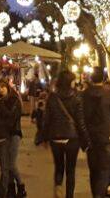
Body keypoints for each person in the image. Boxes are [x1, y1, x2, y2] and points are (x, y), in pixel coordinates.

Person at [35, 69, 83, 198]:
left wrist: (43, 137)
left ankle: (58, 191)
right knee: (71, 170)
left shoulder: (52, 97)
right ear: (70, 82)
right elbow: (80, 121)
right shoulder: (76, 97)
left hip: (55, 138)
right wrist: (85, 140)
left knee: (59, 168)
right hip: (72, 138)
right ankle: (69, 196)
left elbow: (46, 119)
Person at [82, 69, 110, 198]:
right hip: (105, 138)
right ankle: (99, 195)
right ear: (104, 78)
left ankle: (96, 194)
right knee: (105, 170)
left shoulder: (84, 95)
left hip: (90, 139)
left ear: (91, 78)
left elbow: (80, 116)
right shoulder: (109, 95)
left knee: (93, 171)